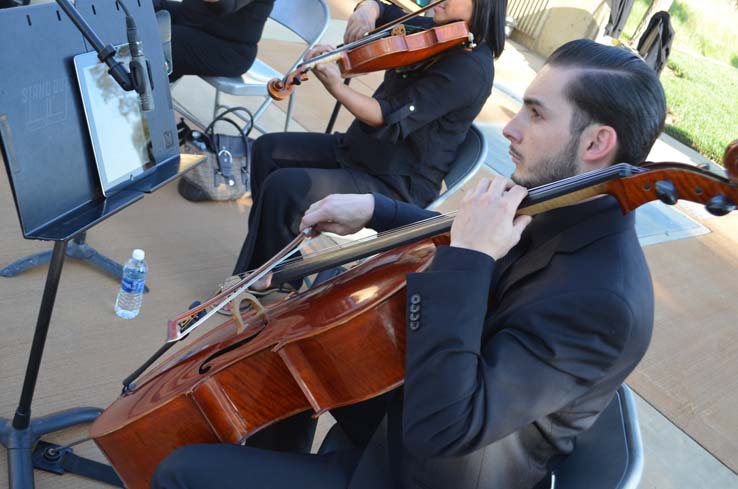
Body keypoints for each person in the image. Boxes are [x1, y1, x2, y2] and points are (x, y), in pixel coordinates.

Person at [151, 38, 666, 489]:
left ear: (597, 143)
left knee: (178, 472)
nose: (510, 128)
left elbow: (445, 428)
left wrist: (469, 260)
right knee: (281, 371)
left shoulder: (603, 301)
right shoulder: (564, 200)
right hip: (413, 399)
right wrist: (378, 210)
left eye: (535, 113)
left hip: (425, 468)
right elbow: (456, 236)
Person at [231, 0, 506, 281]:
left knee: (284, 187)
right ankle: (279, 267)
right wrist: (366, 11)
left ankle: (262, 279)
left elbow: (385, 116)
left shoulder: (471, 69)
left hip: (396, 179)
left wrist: (336, 85)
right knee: (267, 149)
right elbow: (385, 11)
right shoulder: (438, 28)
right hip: (360, 150)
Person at [156, 0, 274, 81]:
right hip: (189, 19)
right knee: (145, 6)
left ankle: (147, 100)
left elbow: (225, 5)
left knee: (155, 40)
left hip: (227, 48)